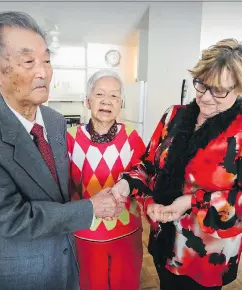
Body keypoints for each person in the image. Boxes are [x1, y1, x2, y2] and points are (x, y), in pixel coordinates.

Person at [0, 12, 122, 290]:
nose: (43, 72)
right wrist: (90, 208)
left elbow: (57, 190)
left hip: (68, 261)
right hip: (23, 273)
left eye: (46, 60)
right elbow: (11, 218)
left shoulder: (56, 121)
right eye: (28, 61)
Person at [112, 38, 242, 289]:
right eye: (201, 85)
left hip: (205, 258)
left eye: (219, 91)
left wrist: (191, 202)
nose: (206, 98)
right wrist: (128, 183)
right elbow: (147, 165)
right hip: (164, 244)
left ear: (240, 89)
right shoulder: (173, 116)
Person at [67, 69, 146, 290]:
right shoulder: (70, 138)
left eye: (114, 96)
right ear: (87, 101)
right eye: (100, 94)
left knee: (126, 284)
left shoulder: (132, 137)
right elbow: (62, 185)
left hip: (126, 230)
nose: (107, 101)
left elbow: (144, 175)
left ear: (121, 103)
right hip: (86, 231)